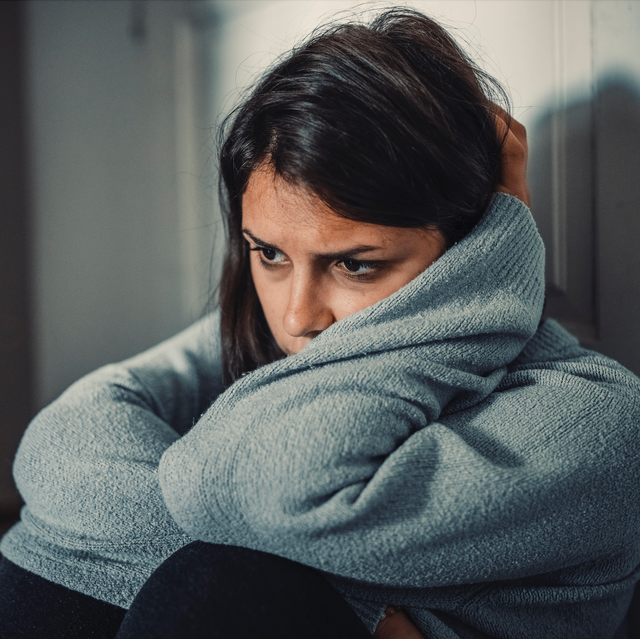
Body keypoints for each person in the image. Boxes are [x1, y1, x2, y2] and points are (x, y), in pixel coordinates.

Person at [1, 7, 639, 639]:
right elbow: (67, 440)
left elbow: (266, 485)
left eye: (356, 266)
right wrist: (371, 614)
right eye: (270, 254)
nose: (298, 315)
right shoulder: (270, 331)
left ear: (476, 249)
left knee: (220, 584)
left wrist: (498, 258)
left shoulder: (596, 417)